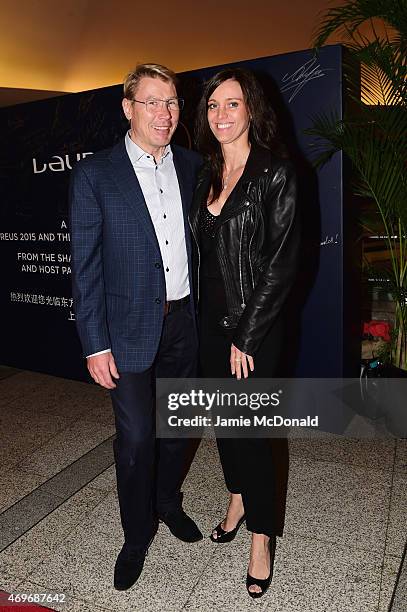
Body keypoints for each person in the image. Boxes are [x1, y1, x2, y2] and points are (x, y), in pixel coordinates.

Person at [69, 63, 203, 591]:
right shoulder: (96, 174)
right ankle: (135, 534)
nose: (164, 113)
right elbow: (86, 266)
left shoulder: (193, 166)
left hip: (185, 322)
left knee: (178, 428)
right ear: (128, 108)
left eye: (171, 102)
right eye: (151, 102)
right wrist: (94, 343)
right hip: (124, 331)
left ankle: (168, 500)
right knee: (137, 438)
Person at [189, 67, 299, 598]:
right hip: (208, 327)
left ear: (252, 109)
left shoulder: (275, 173)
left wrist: (247, 336)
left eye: (232, 104)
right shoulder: (205, 173)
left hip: (253, 330)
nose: (221, 115)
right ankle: (236, 496)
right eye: (213, 105)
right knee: (222, 424)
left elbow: (280, 266)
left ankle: (261, 537)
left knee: (252, 432)